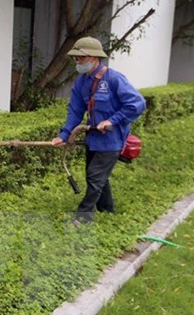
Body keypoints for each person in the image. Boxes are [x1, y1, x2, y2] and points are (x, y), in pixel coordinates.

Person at [51, 36, 145, 223]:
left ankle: (83, 217)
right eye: (76, 59)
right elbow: (75, 112)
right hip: (93, 138)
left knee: (95, 176)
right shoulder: (81, 82)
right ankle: (107, 210)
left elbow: (137, 103)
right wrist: (64, 135)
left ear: (94, 58)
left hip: (112, 139)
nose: (77, 62)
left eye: (81, 58)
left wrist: (113, 120)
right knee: (96, 176)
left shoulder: (114, 79)